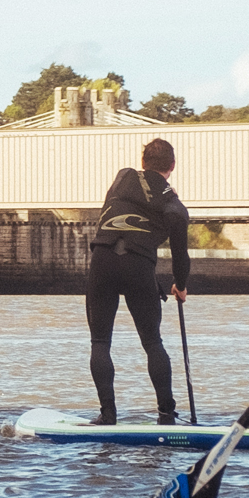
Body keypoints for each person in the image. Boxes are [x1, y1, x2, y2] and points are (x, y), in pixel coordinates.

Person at [84, 138, 192, 425]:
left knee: (100, 342)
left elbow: (136, 190)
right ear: (172, 166)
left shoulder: (123, 176)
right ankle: (166, 414)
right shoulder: (175, 207)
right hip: (138, 266)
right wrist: (180, 286)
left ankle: (107, 415)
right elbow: (181, 256)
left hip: (103, 260)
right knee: (152, 342)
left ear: (143, 162)